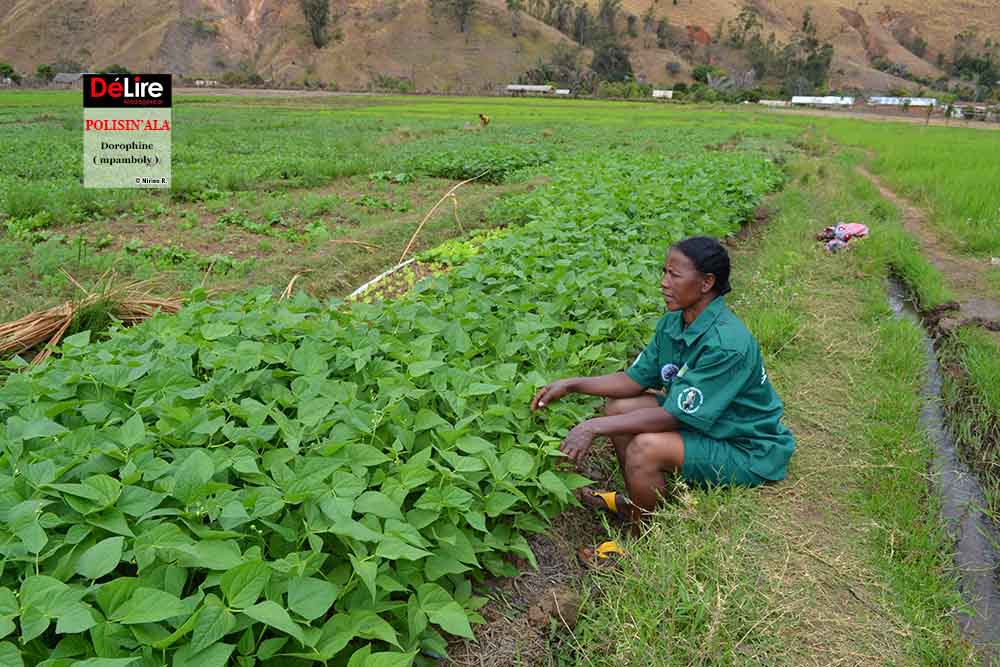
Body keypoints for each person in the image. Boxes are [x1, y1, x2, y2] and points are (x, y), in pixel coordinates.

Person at [530, 236, 795, 524]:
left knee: (646, 448)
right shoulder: (674, 322)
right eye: (664, 272)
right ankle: (638, 500)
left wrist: (592, 427)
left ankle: (638, 538)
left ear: (706, 283)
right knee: (619, 407)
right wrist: (571, 384)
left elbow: (674, 416)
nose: (664, 283)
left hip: (743, 445)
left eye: (674, 275)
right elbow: (633, 381)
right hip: (709, 423)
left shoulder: (726, 343)